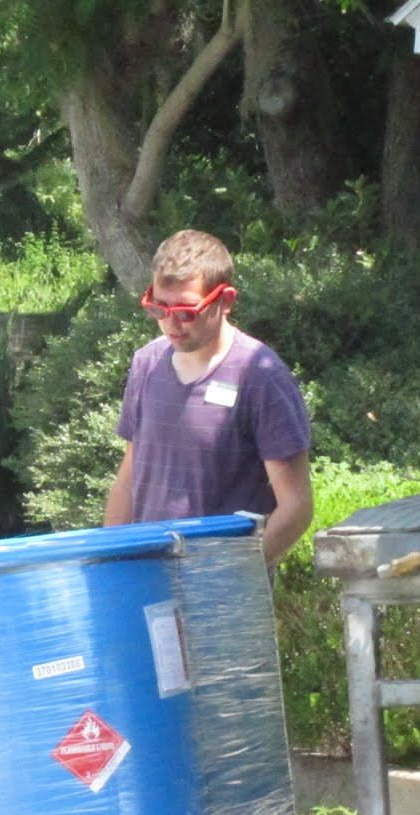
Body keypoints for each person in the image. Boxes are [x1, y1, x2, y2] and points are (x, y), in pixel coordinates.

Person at [104, 229, 313, 569]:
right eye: (158, 308)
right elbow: (129, 477)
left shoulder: (261, 377)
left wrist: (230, 580)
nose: (171, 324)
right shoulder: (146, 363)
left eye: (186, 312)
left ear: (225, 300)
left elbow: (296, 507)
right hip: (148, 581)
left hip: (226, 599)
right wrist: (110, 564)